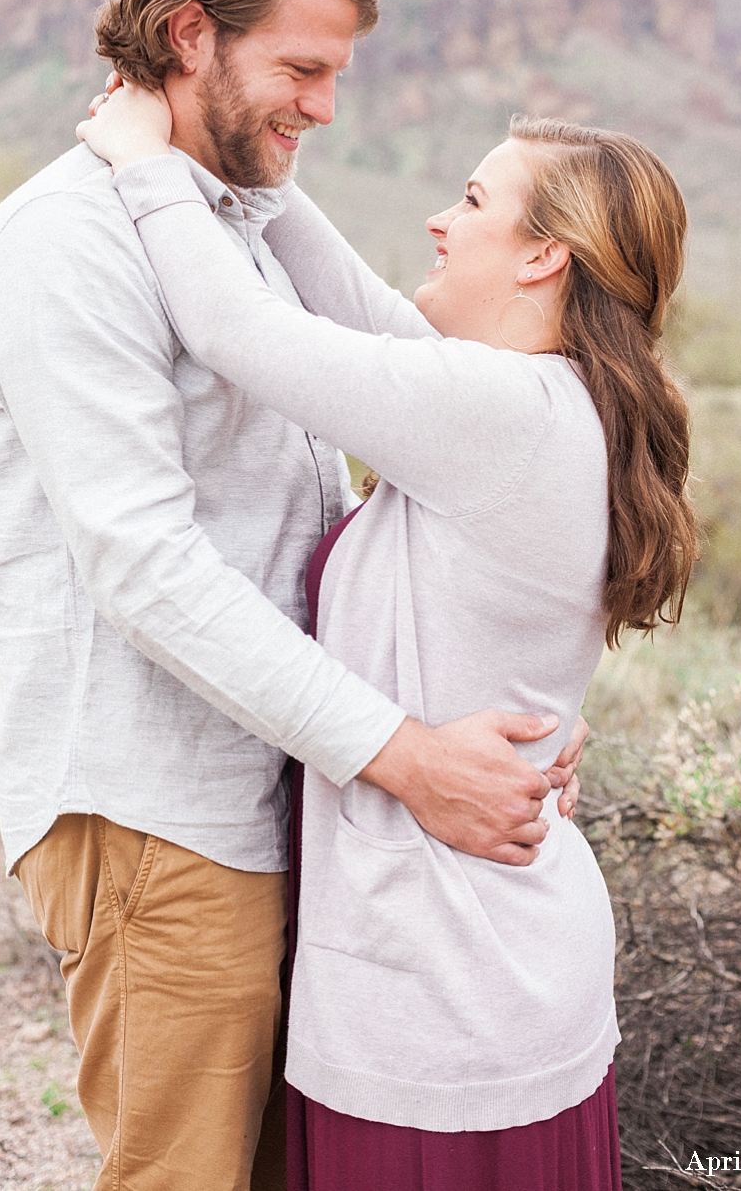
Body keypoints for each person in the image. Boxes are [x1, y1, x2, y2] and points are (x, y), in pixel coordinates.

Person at [0, 0, 587, 1191]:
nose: (322, 104)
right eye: (300, 66)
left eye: (338, 72)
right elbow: (147, 567)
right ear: (190, 34)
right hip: (160, 814)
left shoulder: (228, 226)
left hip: (280, 796)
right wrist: (408, 757)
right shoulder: (71, 241)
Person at [77, 85, 697, 1191]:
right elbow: (364, 313)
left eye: (470, 199)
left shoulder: (494, 411)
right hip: (488, 973)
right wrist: (264, 163)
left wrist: (141, 162)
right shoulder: (548, 402)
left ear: (542, 257)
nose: (438, 220)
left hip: (438, 995)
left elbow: (238, 331)